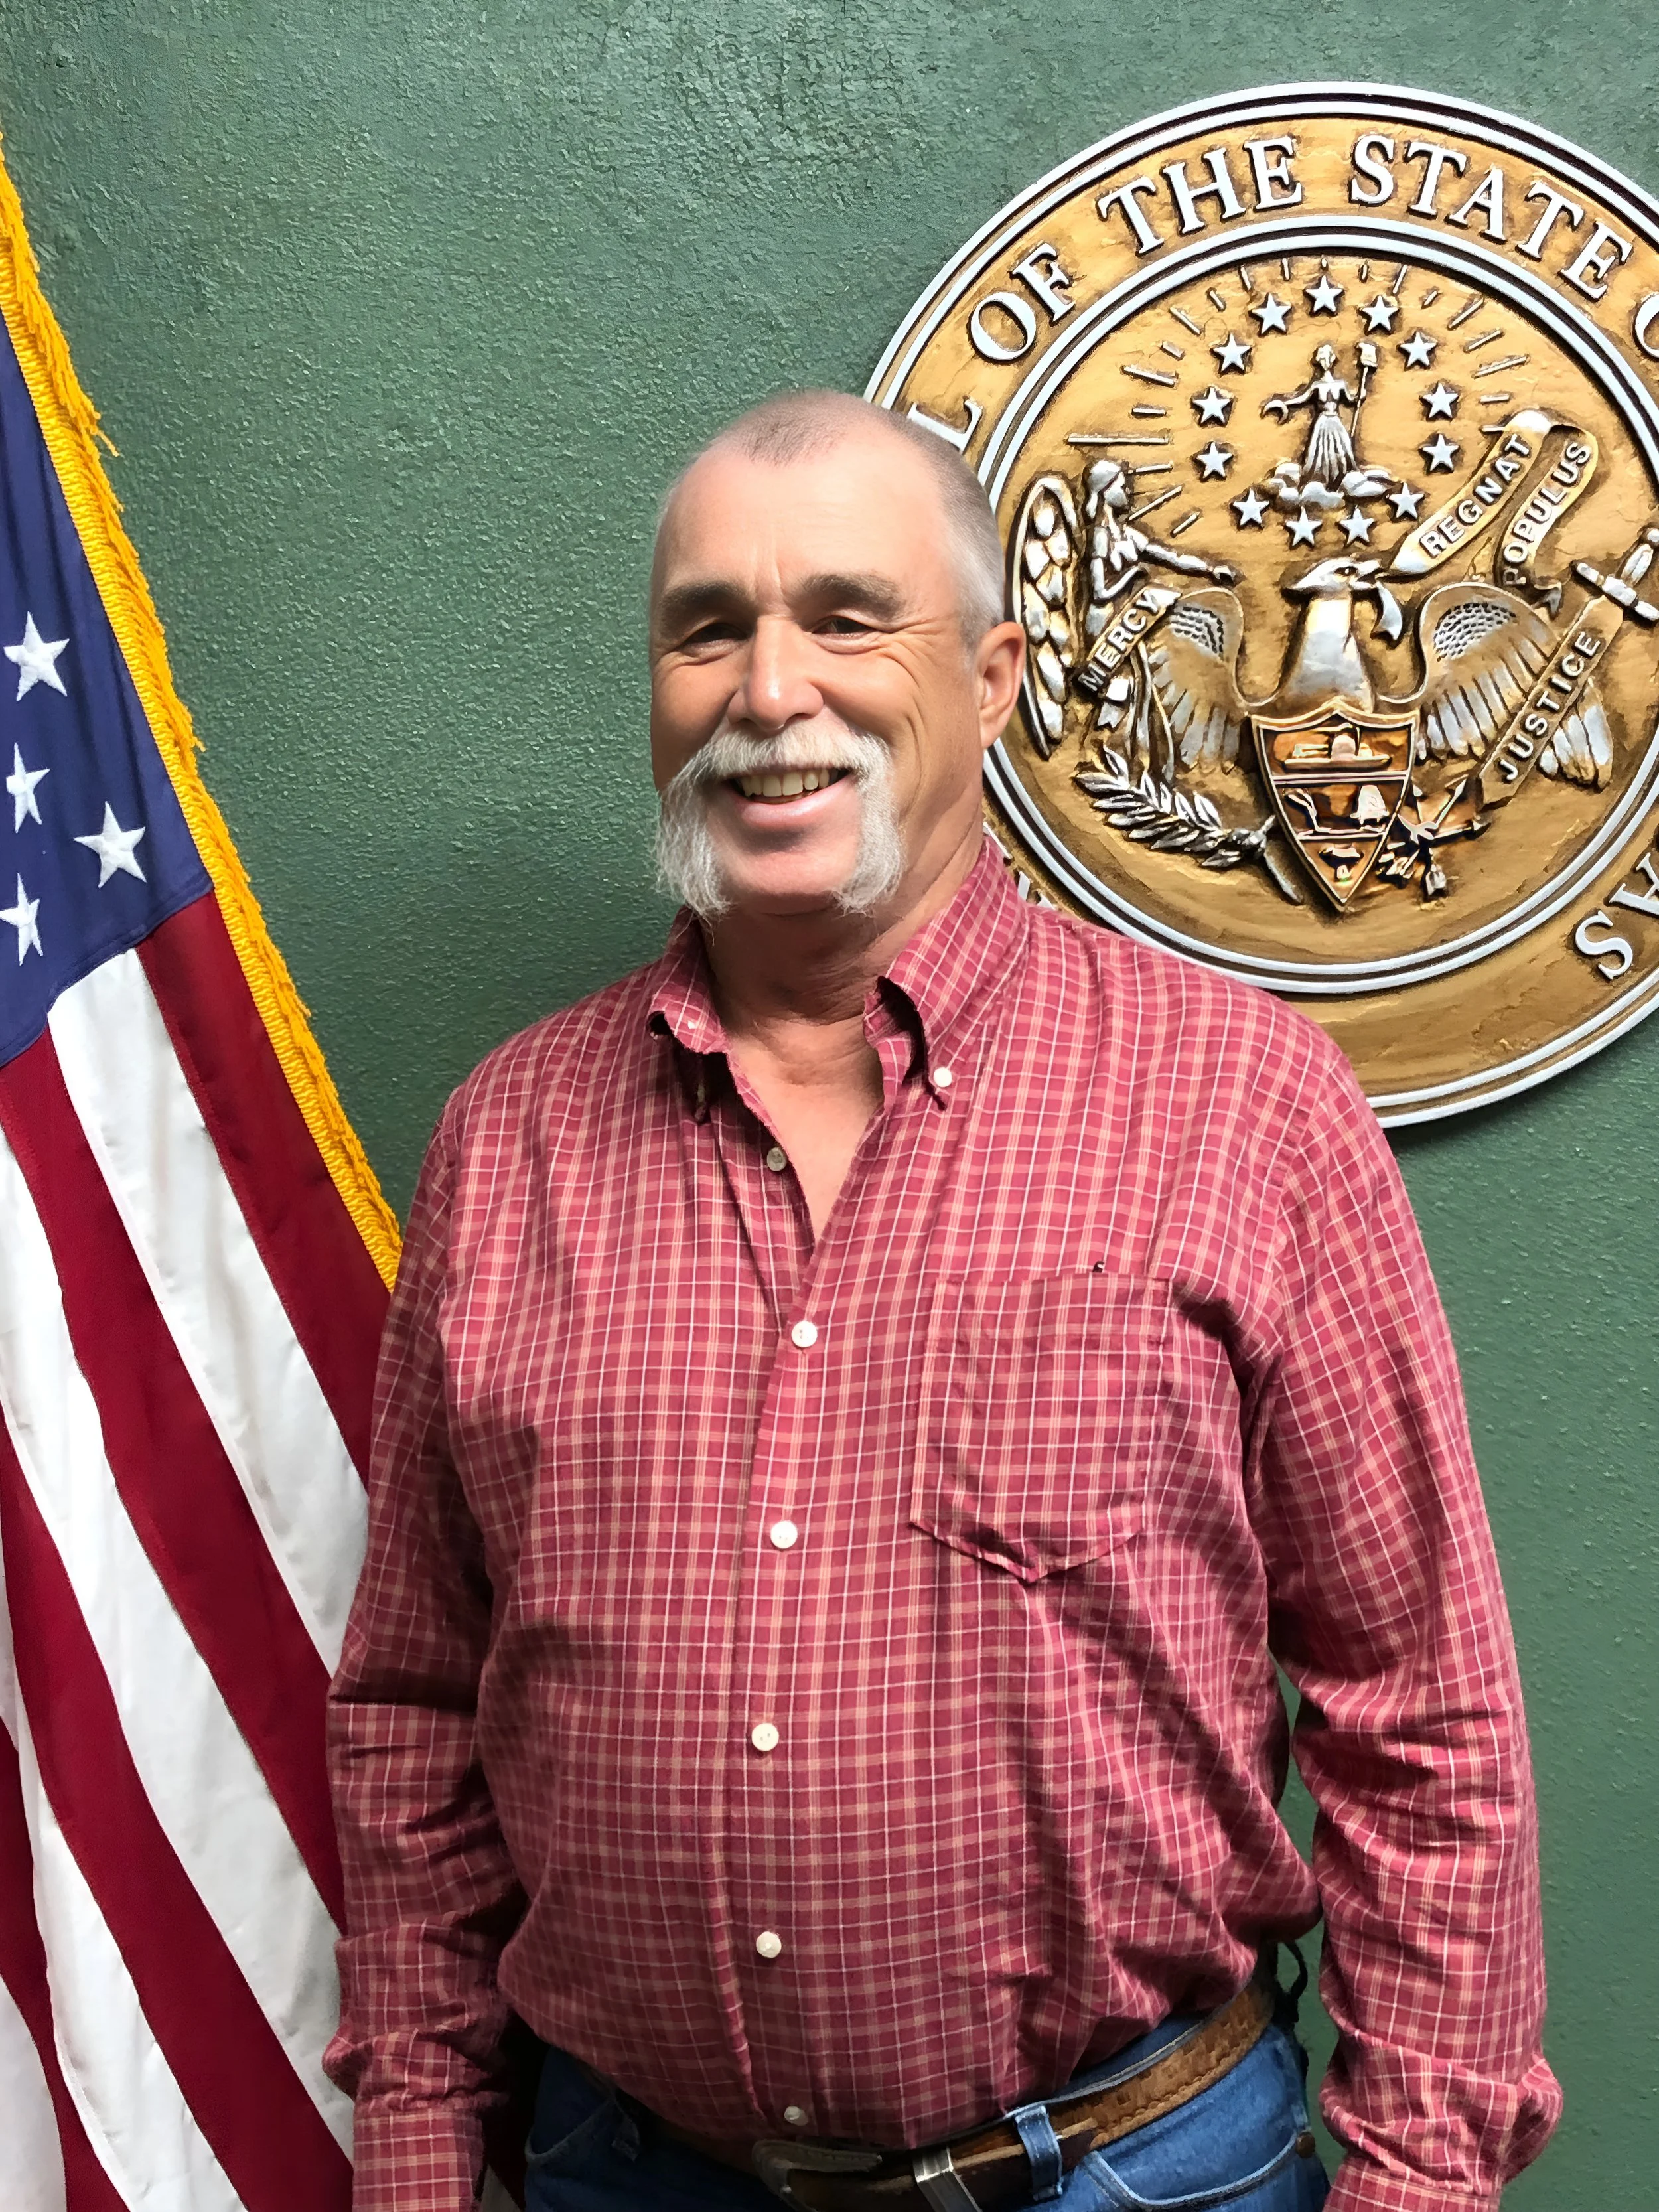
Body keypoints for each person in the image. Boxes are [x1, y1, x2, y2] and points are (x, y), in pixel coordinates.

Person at [325, 390, 1561, 2212]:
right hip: (622, 2172)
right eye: (706, 628)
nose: (766, 689)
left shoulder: (1241, 1109)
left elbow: (1423, 1715)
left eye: (844, 616)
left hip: (1136, 2172)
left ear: (989, 679)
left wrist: (1416, 2183)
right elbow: (419, 1708)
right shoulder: (510, 1141)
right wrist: (423, 2159)